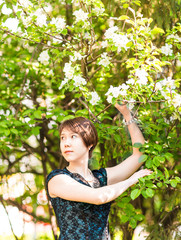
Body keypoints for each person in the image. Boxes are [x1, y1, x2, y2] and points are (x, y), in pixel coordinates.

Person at [46, 103, 152, 240]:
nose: (66, 143)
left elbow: (139, 155)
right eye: (63, 138)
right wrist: (130, 181)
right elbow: (98, 197)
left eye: (73, 137)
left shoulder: (101, 178)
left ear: (89, 144)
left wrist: (126, 114)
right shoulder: (57, 179)